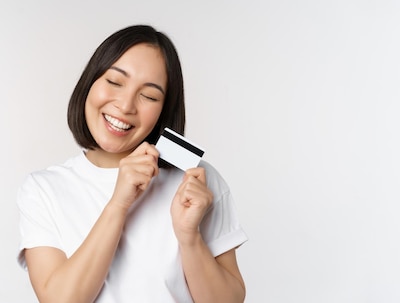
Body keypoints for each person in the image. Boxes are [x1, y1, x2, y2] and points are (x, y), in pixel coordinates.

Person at [16, 25, 247, 303]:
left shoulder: (196, 181)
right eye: (114, 82)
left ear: (164, 109)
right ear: (90, 82)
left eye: (148, 96)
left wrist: (189, 237)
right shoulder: (43, 189)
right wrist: (118, 204)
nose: (126, 106)